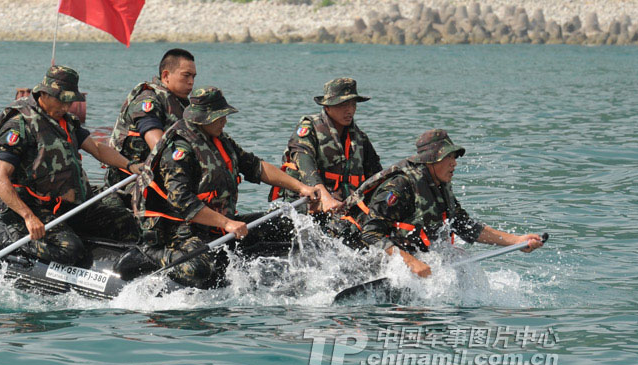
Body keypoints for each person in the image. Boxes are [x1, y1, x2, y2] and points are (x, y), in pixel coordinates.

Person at [130, 87, 325, 288]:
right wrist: (227, 223)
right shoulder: (179, 149)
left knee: (286, 225)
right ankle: (151, 255)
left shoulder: (220, 139)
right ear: (202, 118)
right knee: (198, 270)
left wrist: (301, 187)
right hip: (179, 231)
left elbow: (255, 166)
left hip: (216, 225)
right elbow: (183, 203)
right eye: (219, 117)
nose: (225, 121)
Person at [0, 65, 142, 265]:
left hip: (68, 206)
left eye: (70, 102)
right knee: (69, 251)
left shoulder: (66, 121)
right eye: (61, 101)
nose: (66, 108)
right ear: (44, 94)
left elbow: (98, 149)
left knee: (125, 223)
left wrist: (131, 165)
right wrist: (28, 217)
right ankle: (10, 240)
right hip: (32, 207)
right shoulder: (19, 125)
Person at [339, 129, 545, 277]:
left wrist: (515, 241)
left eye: (455, 157)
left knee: (458, 257)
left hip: (400, 252)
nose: (454, 163)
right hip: (354, 250)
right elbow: (370, 233)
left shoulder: (441, 184)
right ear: (431, 160)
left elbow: (465, 226)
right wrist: (410, 262)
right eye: (449, 158)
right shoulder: (399, 186)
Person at [271, 78, 381, 214]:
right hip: (309, 206)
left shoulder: (360, 138)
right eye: (343, 105)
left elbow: (376, 176)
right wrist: (324, 196)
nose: (349, 110)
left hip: (346, 206)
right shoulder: (309, 128)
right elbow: (304, 162)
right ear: (327, 107)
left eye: (353, 105)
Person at [105, 48, 197, 194]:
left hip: (164, 176)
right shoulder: (148, 100)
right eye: (186, 76)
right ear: (166, 75)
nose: (191, 82)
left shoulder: (183, 105)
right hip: (131, 180)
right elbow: (159, 147)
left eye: (193, 77)